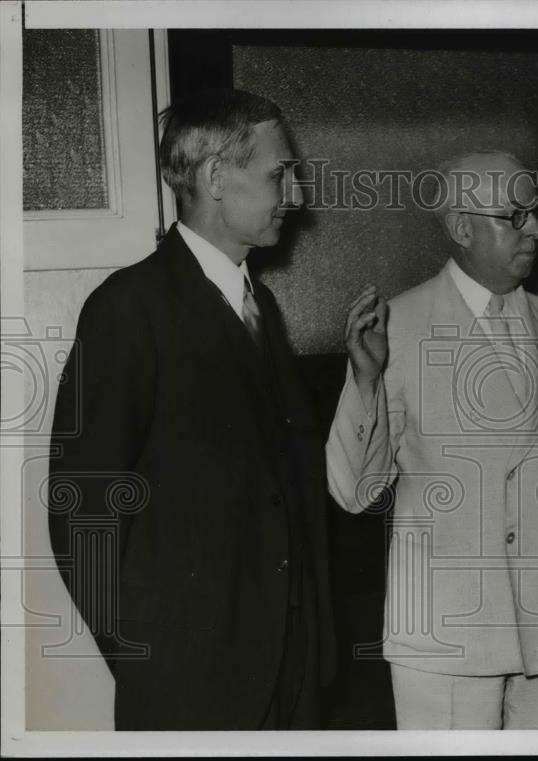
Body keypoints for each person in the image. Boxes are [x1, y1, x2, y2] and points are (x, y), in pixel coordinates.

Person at [47, 89, 336, 730]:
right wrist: (150, 658)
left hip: (289, 682)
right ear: (213, 178)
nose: (295, 195)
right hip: (192, 690)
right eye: (277, 173)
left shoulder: (263, 309)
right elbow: (81, 512)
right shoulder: (128, 309)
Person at [325, 151, 538, 729]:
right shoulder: (398, 328)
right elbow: (355, 492)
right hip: (446, 636)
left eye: (536, 213)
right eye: (514, 216)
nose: (536, 228)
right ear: (463, 228)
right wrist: (365, 379)